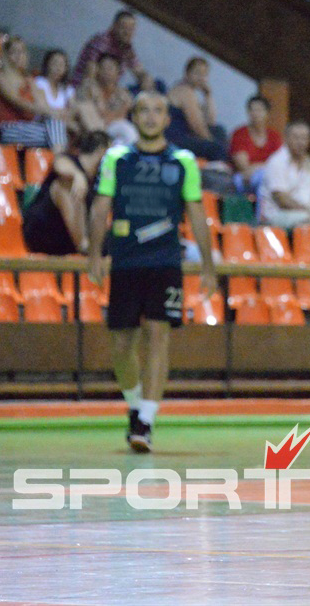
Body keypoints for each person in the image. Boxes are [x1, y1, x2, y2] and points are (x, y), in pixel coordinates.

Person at [87, 91, 215, 453]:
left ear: (167, 119)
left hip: (165, 262)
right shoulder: (117, 158)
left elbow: (196, 213)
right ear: (134, 117)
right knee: (121, 345)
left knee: (158, 337)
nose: (150, 116)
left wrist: (208, 265)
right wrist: (94, 253)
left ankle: (146, 421)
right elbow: (100, 207)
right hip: (125, 261)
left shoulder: (184, 161)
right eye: (143, 110)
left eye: (157, 111)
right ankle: (135, 405)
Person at [23, 131, 111, 255]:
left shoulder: (98, 180)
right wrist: (77, 175)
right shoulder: (70, 161)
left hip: (67, 241)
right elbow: (59, 163)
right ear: (102, 151)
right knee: (66, 186)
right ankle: (83, 245)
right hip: (44, 233)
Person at [0, 36, 68, 152]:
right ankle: (61, 158)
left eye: (22, 52)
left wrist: (54, 113)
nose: (19, 56)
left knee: (55, 126)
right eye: (14, 52)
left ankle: (60, 157)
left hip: (28, 127)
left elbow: (42, 105)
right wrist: (50, 112)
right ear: (6, 55)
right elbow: (18, 102)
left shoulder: (29, 79)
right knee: (58, 135)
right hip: (6, 128)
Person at [257, 120, 310, 230]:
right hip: (277, 215)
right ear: (286, 138)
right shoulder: (276, 161)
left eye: (304, 138)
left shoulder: (309, 162)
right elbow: (282, 199)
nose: (301, 142)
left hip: (306, 213)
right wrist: (307, 211)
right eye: (296, 137)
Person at [72, 9, 153, 88]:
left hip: (104, 92)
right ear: (114, 26)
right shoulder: (102, 41)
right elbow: (90, 74)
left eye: (131, 29)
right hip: (78, 88)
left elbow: (139, 71)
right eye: (124, 27)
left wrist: (145, 80)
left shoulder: (127, 49)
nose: (127, 32)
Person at [167, 56, 229, 160]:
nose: (201, 78)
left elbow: (211, 121)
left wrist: (208, 95)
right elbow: (197, 126)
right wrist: (212, 143)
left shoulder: (192, 93)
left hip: (187, 135)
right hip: (175, 138)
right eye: (197, 73)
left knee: (218, 130)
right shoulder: (185, 91)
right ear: (187, 73)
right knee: (216, 148)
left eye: (204, 74)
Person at [73, 53, 138, 146]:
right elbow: (83, 110)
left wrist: (109, 118)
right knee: (84, 107)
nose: (106, 72)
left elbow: (124, 113)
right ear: (98, 70)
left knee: (128, 131)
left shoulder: (123, 93)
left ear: (118, 72)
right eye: (103, 68)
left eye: (110, 68)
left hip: (113, 128)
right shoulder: (89, 88)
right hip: (91, 128)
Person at [229, 95, 283, 192]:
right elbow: (243, 166)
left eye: (259, 110)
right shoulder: (239, 134)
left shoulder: (274, 136)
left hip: (270, 178)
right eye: (252, 110)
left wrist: (258, 167)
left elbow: (280, 164)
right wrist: (266, 167)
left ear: (267, 113)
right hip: (244, 179)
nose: (255, 114)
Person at [33, 49, 76, 126]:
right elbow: (44, 109)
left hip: (63, 124)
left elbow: (73, 111)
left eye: (61, 65)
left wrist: (60, 113)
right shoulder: (40, 82)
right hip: (42, 124)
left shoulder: (68, 89)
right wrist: (62, 112)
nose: (58, 68)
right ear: (47, 65)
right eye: (55, 63)